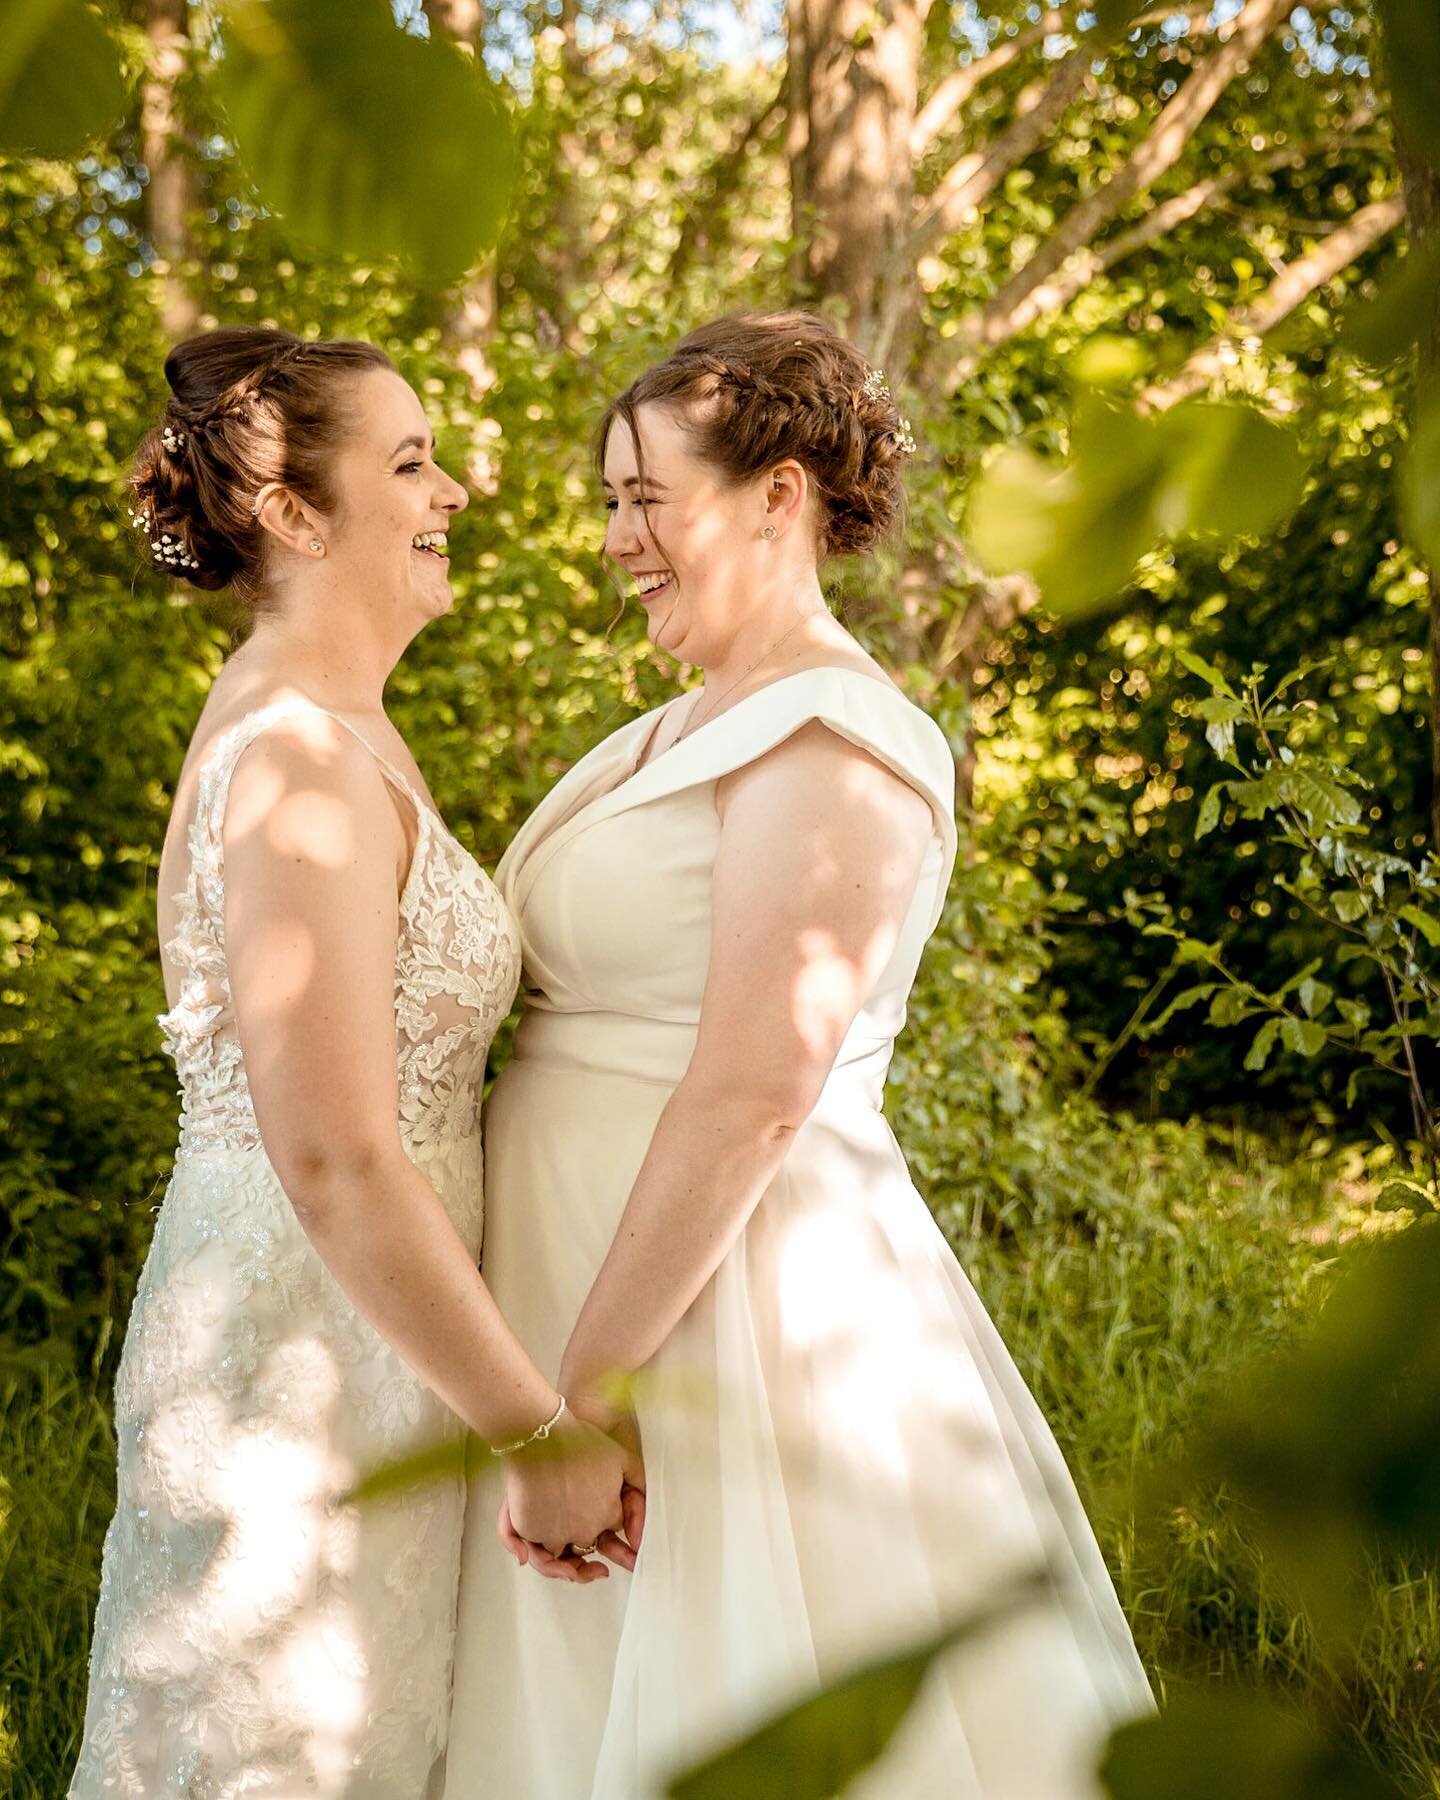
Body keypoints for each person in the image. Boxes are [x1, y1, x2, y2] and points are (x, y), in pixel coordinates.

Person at [443, 312, 1154, 1798]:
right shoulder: (666, 731)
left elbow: (758, 1087)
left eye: (652, 498)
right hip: (579, 1281)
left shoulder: (838, 736)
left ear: (781, 496)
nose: (621, 539)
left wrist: (587, 1394)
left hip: (722, 1315)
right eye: (610, 502)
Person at [71, 327, 639, 1800]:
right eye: (410, 462)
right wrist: (536, 1430)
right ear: (295, 516)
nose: (452, 488)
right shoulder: (298, 760)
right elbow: (328, 1151)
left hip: (375, 1355)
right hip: (295, 1364)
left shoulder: (347, 731)